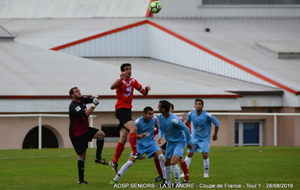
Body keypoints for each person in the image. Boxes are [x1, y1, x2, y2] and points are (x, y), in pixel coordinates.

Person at [110, 63, 151, 174]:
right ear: (122, 71)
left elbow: (143, 93)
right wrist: (120, 79)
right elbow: (111, 87)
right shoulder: (120, 81)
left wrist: (146, 89)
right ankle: (134, 152)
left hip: (128, 110)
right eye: (126, 69)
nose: (129, 71)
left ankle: (114, 161)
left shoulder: (133, 81)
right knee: (134, 128)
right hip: (120, 110)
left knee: (123, 137)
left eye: (130, 69)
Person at [109, 106, 166, 185]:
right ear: (144, 114)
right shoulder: (138, 122)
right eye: (149, 114)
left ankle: (165, 179)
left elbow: (160, 128)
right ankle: (115, 180)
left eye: (152, 114)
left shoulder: (154, 119)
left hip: (151, 144)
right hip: (140, 145)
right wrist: (140, 136)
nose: (151, 115)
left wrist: (160, 136)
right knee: (129, 163)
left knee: (161, 157)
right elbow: (131, 136)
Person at [68, 87, 108, 185]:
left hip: (85, 129)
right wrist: (94, 105)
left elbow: (91, 99)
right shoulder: (74, 105)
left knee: (101, 134)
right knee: (82, 155)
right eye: (77, 91)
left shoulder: (82, 99)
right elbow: (85, 114)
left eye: (79, 91)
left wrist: (95, 97)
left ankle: (98, 158)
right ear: (72, 95)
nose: (79, 92)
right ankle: (81, 180)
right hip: (77, 133)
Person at [182, 98, 220, 178]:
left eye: (200, 104)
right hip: (194, 138)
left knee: (205, 155)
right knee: (190, 153)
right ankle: (184, 173)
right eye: (197, 104)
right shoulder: (191, 114)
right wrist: (186, 132)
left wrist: (215, 134)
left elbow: (217, 123)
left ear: (203, 106)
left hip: (204, 139)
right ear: (194, 105)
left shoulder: (207, 115)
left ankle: (206, 173)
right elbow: (187, 122)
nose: (198, 105)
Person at [157, 100, 192, 187]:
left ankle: (178, 183)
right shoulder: (160, 116)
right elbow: (160, 127)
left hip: (179, 142)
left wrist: (188, 143)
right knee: (167, 163)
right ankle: (168, 183)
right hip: (170, 142)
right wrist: (160, 136)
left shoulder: (174, 120)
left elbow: (186, 129)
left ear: (164, 109)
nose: (157, 107)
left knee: (173, 162)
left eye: (159, 106)